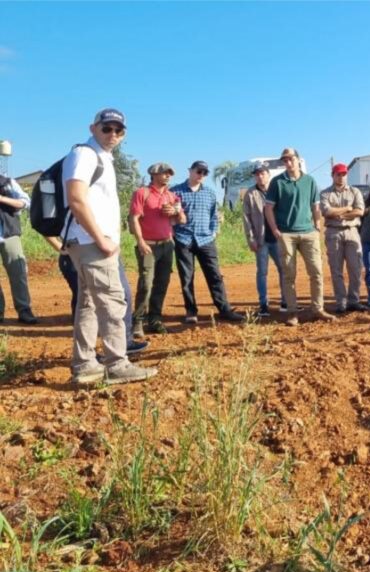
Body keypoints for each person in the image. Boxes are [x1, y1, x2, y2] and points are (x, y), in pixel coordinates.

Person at [62, 108, 156, 385]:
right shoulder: (84, 155)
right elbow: (76, 199)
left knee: (88, 304)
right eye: (107, 128)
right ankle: (117, 363)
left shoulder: (103, 157)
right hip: (92, 242)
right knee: (114, 302)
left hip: (89, 242)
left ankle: (85, 364)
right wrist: (101, 238)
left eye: (119, 130)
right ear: (93, 128)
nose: (113, 134)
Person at [265, 148, 335, 326]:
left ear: (298, 160)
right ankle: (292, 312)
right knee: (289, 275)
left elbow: (316, 206)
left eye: (291, 159)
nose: (288, 163)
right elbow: (268, 208)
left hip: (309, 232)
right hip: (286, 234)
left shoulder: (310, 181)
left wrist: (317, 227)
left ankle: (317, 309)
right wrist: (275, 230)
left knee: (317, 272)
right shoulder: (277, 182)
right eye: (285, 160)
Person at [171, 161, 245, 325]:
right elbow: (168, 216)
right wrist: (174, 233)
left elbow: (214, 215)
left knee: (215, 276)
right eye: (198, 171)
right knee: (187, 277)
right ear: (190, 171)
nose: (201, 175)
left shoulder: (210, 193)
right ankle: (191, 311)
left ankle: (224, 309)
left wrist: (213, 231)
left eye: (204, 173)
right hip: (183, 239)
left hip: (206, 240)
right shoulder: (175, 191)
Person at [129, 162, 185, 336]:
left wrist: (175, 213)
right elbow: (134, 219)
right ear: (153, 174)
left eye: (170, 173)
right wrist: (140, 241)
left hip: (167, 245)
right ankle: (138, 320)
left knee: (162, 283)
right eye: (164, 173)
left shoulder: (172, 196)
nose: (168, 176)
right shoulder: (142, 193)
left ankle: (155, 319)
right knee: (146, 284)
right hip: (148, 246)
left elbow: (182, 220)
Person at [320, 163, 366, 313]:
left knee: (355, 268)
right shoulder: (325, 193)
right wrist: (347, 209)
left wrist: (339, 214)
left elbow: (359, 211)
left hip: (352, 231)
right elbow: (326, 211)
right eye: (338, 174)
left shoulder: (355, 191)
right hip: (333, 233)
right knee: (336, 270)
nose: (341, 177)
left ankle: (354, 300)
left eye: (343, 174)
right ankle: (341, 302)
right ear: (333, 175)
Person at [241, 162, 285, 317]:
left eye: (263, 173)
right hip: (261, 240)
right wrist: (251, 239)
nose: (260, 176)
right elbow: (246, 219)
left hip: (278, 238)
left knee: (284, 269)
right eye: (257, 174)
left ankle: (285, 301)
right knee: (262, 272)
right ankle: (263, 305)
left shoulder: (277, 190)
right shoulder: (250, 194)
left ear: (268, 174)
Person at [0, 175, 38, 324]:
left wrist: (2, 199)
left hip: (8, 234)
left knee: (18, 272)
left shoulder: (7, 182)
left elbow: (25, 202)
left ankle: (24, 310)